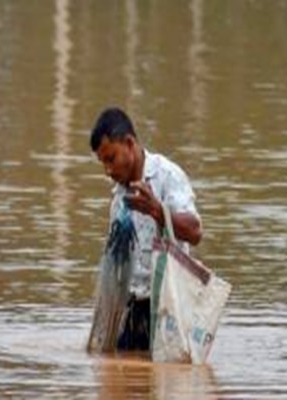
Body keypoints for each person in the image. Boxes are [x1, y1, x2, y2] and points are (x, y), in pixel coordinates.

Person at [90, 107, 203, 351]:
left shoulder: (167, 176)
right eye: (103, 162)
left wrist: (156, 210)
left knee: (166, 382)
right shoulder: (119, 197)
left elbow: (195, 232)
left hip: (167, 310)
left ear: (130, 144)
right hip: (131, 312)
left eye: (111, 159)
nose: (108, 170)